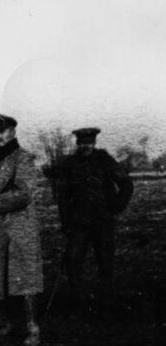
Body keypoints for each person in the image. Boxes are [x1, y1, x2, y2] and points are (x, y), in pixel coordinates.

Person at [0, 114, 43, 346]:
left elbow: (24, 193)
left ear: (13, 132)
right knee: (1, 274)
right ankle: (7, 322)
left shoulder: (23, 158)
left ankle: (32, 327)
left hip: (20, 227)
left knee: (25, 277)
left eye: (3, 131)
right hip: (0, 227)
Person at [56, 127, 133, 299]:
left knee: (105, 261)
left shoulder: (104, 159)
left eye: (89, 142)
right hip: (78, 223)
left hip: (103, 221)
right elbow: (63, 197)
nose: (86, 146)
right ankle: (77, 299)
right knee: (73, 260)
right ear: (77, 143)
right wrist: (66, 223)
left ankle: (105, 300)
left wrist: (116, 207)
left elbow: (127, 184)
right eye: (83, 142)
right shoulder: (69, 164)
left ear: (94, 142)